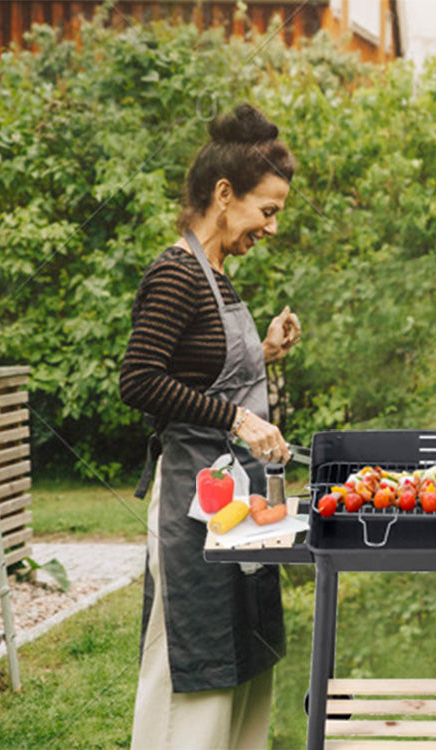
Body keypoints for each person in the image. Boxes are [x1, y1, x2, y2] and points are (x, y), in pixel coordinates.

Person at [119, 103, 300, 750]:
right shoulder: (175, 272)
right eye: (267, 210)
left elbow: (200, 369)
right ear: (224, 195)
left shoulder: (216, 277)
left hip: (234, 492)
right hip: (195, 496)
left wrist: (266, 352)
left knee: (242, 651)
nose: (272, 227)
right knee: (196, 657)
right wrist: (239, 418)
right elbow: (138, 379)